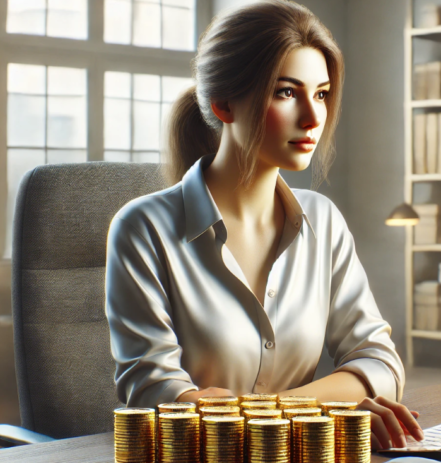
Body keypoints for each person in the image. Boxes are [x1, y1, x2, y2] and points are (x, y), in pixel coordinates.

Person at [104, 0, 423, 450]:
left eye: (322, 93)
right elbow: (156, 394)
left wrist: (275, 411)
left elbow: (380, 363)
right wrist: (331, 404)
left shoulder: (323, 221)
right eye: (287, 92)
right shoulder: (142, 229)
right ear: (224, 103)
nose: (314, 118)